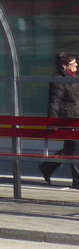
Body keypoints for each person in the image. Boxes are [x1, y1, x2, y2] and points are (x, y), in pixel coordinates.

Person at [42, 52, 79, 187]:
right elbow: (54, 101)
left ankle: (47, 167)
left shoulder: (75, 76)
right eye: (73, 63)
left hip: (76, 116)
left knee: (70, 148)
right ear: (64, 66)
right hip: (68, 118)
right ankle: (77, 181)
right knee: (75, 147)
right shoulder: (58, 79)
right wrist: (52, 121)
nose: (76, 65)